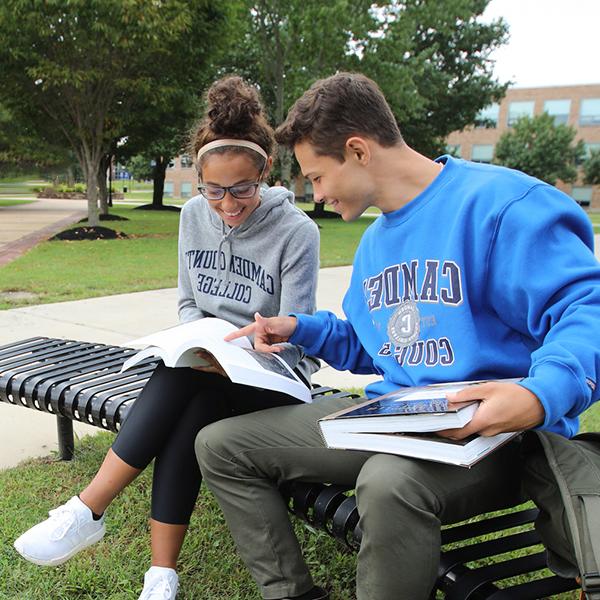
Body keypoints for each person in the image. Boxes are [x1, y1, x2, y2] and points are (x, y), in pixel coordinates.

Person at [194, 72, 600, 600]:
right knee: (221, 445)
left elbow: (585, 309)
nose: (316, 195)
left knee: (388, 483)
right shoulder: (375, 244)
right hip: (395, 419)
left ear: (358, 150)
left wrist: (537, 394)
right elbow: (376, 347)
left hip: (494, 435)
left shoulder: (503, 206)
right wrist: (299, 329)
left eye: (317, 177)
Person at [13, 76, 320, 600]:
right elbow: (187, 303)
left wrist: (240, 351)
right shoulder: (194, 216)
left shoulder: (296, 232)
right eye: (213, 189)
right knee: (190, 401)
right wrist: (200, 340)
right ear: (199, 181)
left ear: (264, 173)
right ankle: (161, 577)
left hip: (271, 377)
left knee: (183, 381)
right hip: (204, 368)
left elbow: (299, 340)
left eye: (241, 189)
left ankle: (87, 510)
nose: (227, 204)